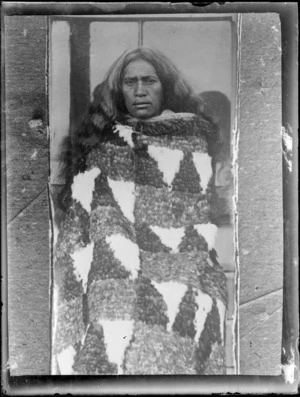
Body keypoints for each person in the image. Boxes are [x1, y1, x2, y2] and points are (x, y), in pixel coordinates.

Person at [52, 47, 228, 375]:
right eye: (130, 83)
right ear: (119, 91)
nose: (140, 91)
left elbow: (198, 222)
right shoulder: (99, 145)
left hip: (181, 273)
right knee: (108, 336)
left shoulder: (194, 143)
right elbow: (80, 222)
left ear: (167, 87)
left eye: (149, 81)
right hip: (111, 277)